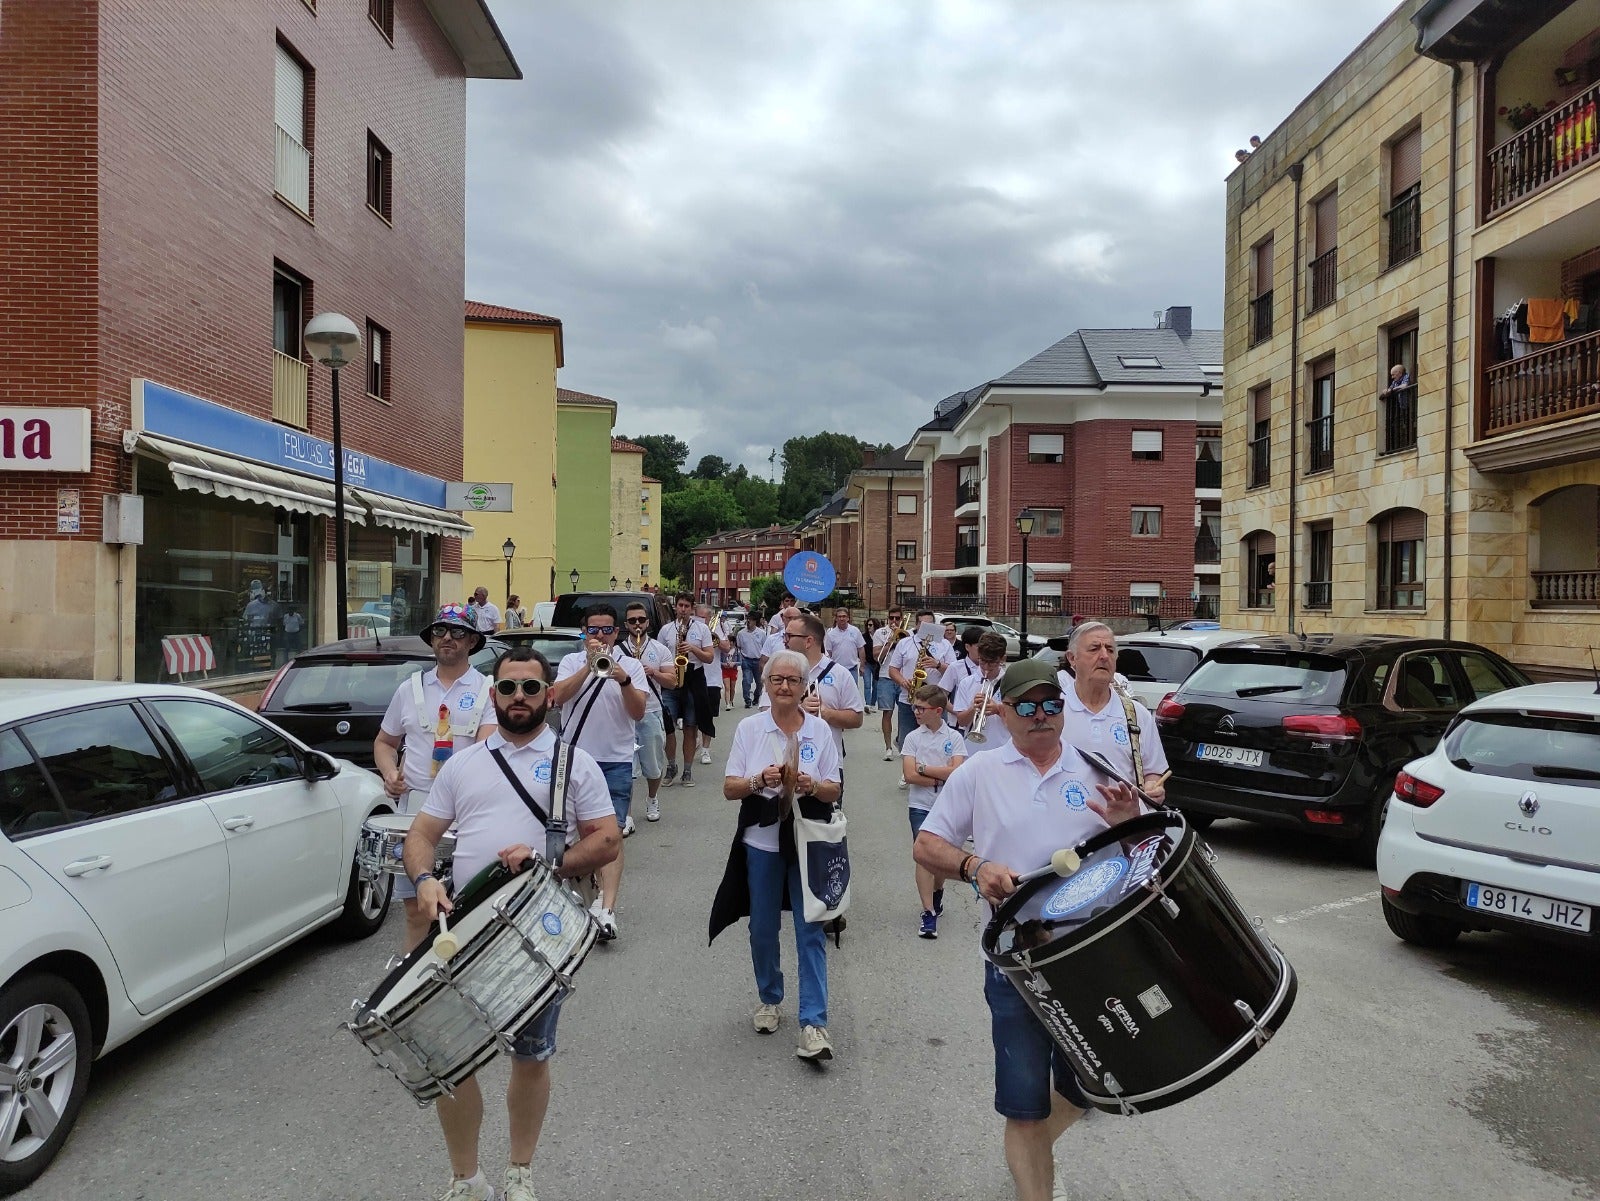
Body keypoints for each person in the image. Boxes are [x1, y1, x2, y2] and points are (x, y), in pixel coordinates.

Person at [912, 659, 1142, 1201]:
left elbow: (1146, 854)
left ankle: (1037, 1149)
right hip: (1019, 959)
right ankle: (1033, 1170)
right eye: (1029, 706)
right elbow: (927, 844)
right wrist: (974, 868)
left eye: (1053, 705)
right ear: (1004, 712)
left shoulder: (1097, 768)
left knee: (1096, 1085)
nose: (1042, 716)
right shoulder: (979, 771)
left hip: (1093, 950)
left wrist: (1129, 824)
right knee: (1024, 1103)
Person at [402, 646, 620, 1201]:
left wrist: (550, 862)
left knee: (530, 1056)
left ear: (549, 694)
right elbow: (421, 836)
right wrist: (426, 879)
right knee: (450, 1059)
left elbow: (607, 839)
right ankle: (467, 1178)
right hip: (462, 933)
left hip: (536, 934)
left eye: (529, 688)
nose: (518, 697)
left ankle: (520, 1170)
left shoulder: (576, 763)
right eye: (507, 688)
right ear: (492, 695)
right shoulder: (464, 764)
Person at [711, 649, 844, 1061]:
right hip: (762, 842)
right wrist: (759, 779)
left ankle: (814, 1023)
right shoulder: (750, 728)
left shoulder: (819, 731)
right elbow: (730, 787)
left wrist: (810, 784)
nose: (784, 687)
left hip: (807, 841)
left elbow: (834, 789)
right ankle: (770, 996)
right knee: (762, 928)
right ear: (766, 685)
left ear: (805, 687)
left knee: (810, 930)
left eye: (792, 681)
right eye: (776, 680)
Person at [373, 604, 498, 951]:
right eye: (440, 631)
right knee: (416, 910)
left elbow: (485, 752)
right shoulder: (409, 689)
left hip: (465, 808)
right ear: (431, 639)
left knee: (466, 906)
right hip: (415, 807)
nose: (447, 638)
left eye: (458, 632)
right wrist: (389, 773)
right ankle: (415, 987)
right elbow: (385, 742)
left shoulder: (488, 690)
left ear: (472, 641)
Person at [547, 603, 647, 941]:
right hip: (572, 759)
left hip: (614, 761)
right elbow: (557, 698)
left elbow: (637, 712)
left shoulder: (631, 665)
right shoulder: (572, 662)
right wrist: (589, 668)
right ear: (584, 632)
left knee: (610, 837)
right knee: (564, 834)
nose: (600, 636)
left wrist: (624, 679)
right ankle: (568, 897)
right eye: (593, 630)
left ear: (617, 633)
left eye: (606, 630)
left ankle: (606, 909)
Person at [1058, 621, 1169, 802]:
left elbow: (1153, 772)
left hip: (1123, 827)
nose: (1104, 656)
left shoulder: (1136, 714)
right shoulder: (1054, 710)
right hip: (1068, 826)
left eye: (1110, 650)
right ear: (1072, 658)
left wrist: (1154, 788)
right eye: (1094, 649)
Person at [900, 684, 966, 939]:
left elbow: (957, 773)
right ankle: (928, 913)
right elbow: (909, 775)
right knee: (923, 855)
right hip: (920, 805)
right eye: (915, 706)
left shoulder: (954, 738)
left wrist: (925, 769)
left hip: (947, 806)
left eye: (921, 708)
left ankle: (937, 892)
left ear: (937, 711)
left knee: (939, 862)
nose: (915, 711)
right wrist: (940, 775)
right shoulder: (913, 738)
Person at [759, 611, 864, 760]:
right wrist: (799, 710)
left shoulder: (840, 674)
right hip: (780, 760)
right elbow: (764, 712)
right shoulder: (776, 670)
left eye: (789, 636)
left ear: (808, 641)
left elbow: (857, 719)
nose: (784, 641)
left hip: (827, 763)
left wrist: (825, 712)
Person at [616, 600, 677, 823]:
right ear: (626, 624)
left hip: (651, 712)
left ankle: (652, 798)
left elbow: (672, 681)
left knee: (653, 765)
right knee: (625, 767)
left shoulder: (659, 649)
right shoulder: (617, 651)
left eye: (641, 620)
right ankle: (627, 813)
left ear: (648, 622)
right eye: (632, 621)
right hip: (624, 715)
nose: (637, 624)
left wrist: (652, 672)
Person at [659, 594, 715, 787]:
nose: (683, 609)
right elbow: (659, 656)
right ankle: (672, 765)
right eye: (680, 605)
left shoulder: (702, 629)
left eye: (686, 606)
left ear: (692, 609)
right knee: (668, 727)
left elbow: (709, 657)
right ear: (676, 607)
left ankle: (687, 771)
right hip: (672, 678)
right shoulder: (666, 630)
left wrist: (692, 648)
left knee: (691, 727)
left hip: (694, 678)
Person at [952, 632, 1010, 755]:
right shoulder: (967, 683)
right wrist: (974, 707)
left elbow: (1020, 721)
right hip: (972, 750)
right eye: (982, 661)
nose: (986, 667)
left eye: (992, 662)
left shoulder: (1011, 682)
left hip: (1002, 748)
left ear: (1002, 658)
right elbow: (961, 721)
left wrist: (998, 709)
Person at [697, 603, 731, 763]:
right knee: (694, 716)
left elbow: (726, 647)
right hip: (695, 677)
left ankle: (705, 749)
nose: (702, 620)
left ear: (710, 617)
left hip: (712, 679)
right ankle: (696, 739)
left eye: (705, 617)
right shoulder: (691, 629)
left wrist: (711, 634)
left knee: (709, 716)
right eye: (699, 616)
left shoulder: (718, 628)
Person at [872, 606, 907, 758]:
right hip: (886, 676)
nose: (894, 621)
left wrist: (902, 638)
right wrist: (891, 641)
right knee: (887, 712)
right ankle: (888, 748)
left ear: (902, 619)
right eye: (891, 618)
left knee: (907, 712)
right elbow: (876, 657)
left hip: (903, 678)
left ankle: (902, 740)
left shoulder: (908, 634)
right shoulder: (881, 633)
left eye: (897, 618)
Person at [823, 607, 867, 685]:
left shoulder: (855, 631)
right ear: (836, 619)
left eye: (844, 616)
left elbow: (861, 649)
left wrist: (862, 666)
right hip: (836, 669)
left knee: (852, 694)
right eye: (839, 617)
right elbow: (828, 653)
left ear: (848, 618)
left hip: (852, 669)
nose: (842, 618)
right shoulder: (830, 634)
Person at [736, 613, 766, 708]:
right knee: (746, 681)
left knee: (759, 682)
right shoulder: (741, 634)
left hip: (758, 660)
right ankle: (747, 700)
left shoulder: (761, 633)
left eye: (751, 620)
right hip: (746, 660)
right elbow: (739, 646)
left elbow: (765, 647)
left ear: (755, 621)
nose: (749, 622)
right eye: (748, 619)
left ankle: (756, 697)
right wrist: (742, 657)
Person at [861, 617, 882, 712]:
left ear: (875, 625)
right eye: (867, 625)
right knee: (867, 684)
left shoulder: (879, 636)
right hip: (867, 663)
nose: (868, 627)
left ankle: (873, 704)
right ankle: (868, 704)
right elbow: (861, 650)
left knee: (876, 685)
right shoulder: (864, 636)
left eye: (870, 625)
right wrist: (862, 663)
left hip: (877, 664)